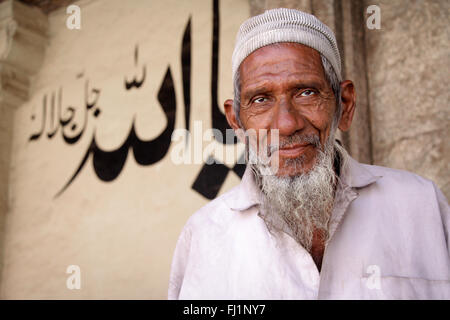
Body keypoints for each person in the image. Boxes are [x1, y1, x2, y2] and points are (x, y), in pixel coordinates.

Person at [168, 8, 450, 299]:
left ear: (345, 104)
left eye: (306, 93)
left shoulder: (421, 206)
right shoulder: (203, 236)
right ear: (237, 123)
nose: (287, 124)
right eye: (261, 99)